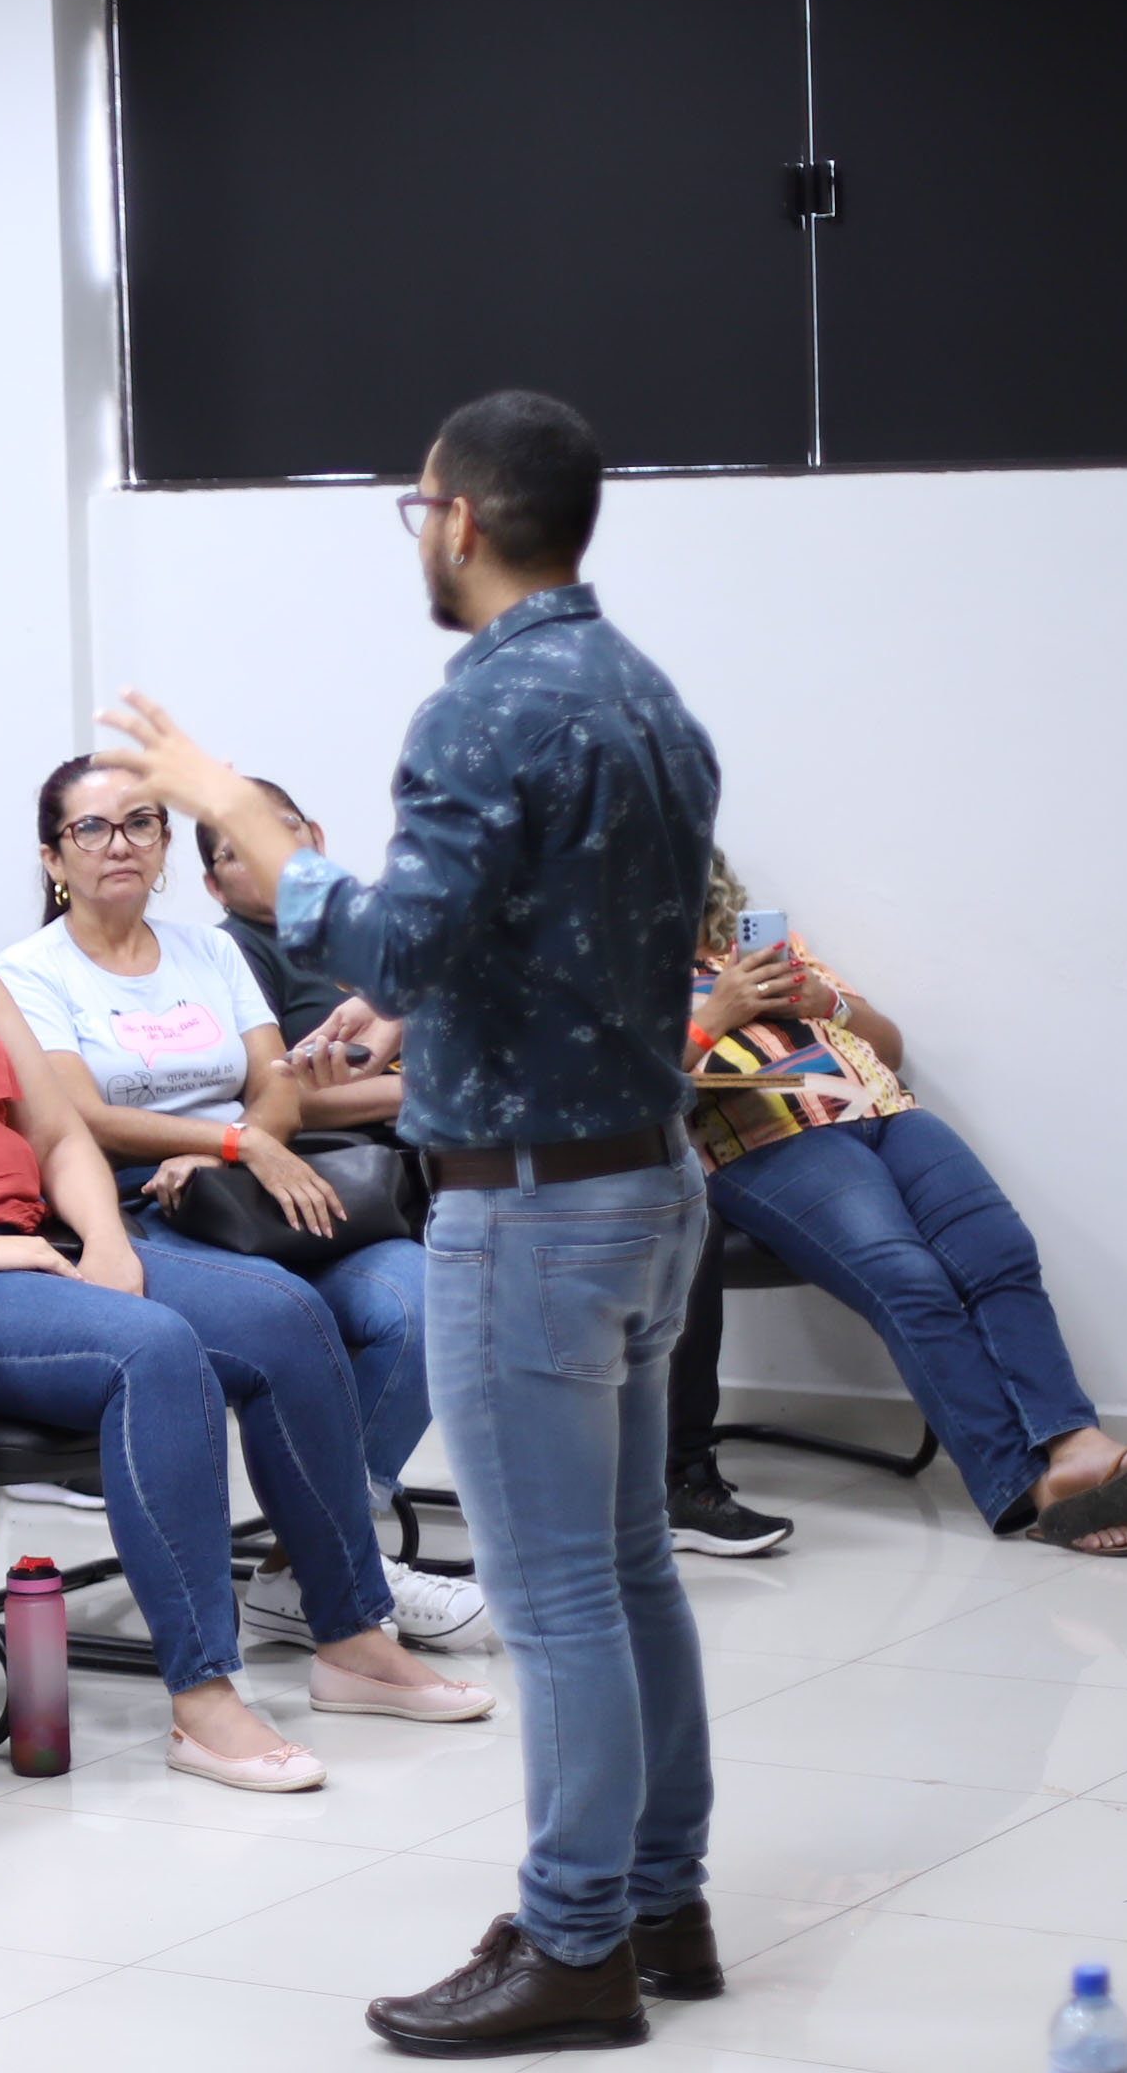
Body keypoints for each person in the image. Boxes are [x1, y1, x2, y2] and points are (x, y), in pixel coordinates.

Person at [100, 390, 723, 2054]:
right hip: (652, 1179)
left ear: (460, 518)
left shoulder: (485, 706)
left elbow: (402, 936)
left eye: (416, 511)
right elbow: (571, 947)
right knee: (632, 1569)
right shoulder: (648, 696)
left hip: (535, 1214)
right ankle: (663, 1898)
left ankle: (577, 1942)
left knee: (561, 1598)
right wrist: (432, 1009)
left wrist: (246, 818)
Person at [0, 758, 489, 1800]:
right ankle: (204, 1696)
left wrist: (106, 1240)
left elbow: (59, 1131)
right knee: (153, 1350)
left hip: (37, 1248)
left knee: (288, 1318)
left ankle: (351, 1637)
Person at [0, 756, 486, 1651]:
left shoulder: (209, 951)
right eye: (92, 829)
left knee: (424, 1294)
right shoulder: (29, 971)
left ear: (163, 845)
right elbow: (80, 1117)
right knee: (290, 1313)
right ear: (52, 858)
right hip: (133, 1204)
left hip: (250, 1194)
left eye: (141, 824)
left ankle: (300, 1565)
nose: (120, 844)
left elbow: (276, 1086)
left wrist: (240, 1145)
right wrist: (228, 1142)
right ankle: (345, 1572)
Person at [670, 854, 1127, 1558]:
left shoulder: (767, 949)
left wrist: (827, 1004)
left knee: (1001, 1253)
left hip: (890, 1115)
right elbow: (634, 1087)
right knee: (909, 1280)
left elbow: (887, 1046)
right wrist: (718, 1012)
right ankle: (1026, 1488)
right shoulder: (629, 975)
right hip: (769, 1138)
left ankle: (1074, 1443)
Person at [201, 782, 412, 1136]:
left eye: (280, 830)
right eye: (237, 850)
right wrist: (426, 1092)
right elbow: (276, 1097)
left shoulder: (372, 921)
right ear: (214, 886)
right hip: (370, 1152)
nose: (266, 854)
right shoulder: (230, 950)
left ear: (316, 837)